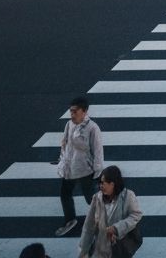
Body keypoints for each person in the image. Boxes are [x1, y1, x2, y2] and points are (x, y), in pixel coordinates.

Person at [54, 96, 104, 237]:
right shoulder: (69, 125)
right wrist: (62, 161)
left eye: (75, 111)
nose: (72, 114)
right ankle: (70, 220)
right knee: (65, 194)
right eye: (71, 111)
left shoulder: (92, 128)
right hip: (69, 169)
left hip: (85, 171)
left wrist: (97, 172)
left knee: (91, 198)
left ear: (84, 111)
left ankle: (104, 220)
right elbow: (65, 144)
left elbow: (98, 151)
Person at [77, 166, 142, 258]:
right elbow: (88, 227)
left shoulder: (128, 196)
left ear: (113, 184)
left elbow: (136, 215)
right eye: (100, 183)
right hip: (100, 251)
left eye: (103, 183)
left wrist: (117, 228)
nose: (101, 186)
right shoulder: (97, 198)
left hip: (119, 250)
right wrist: (83, 252)